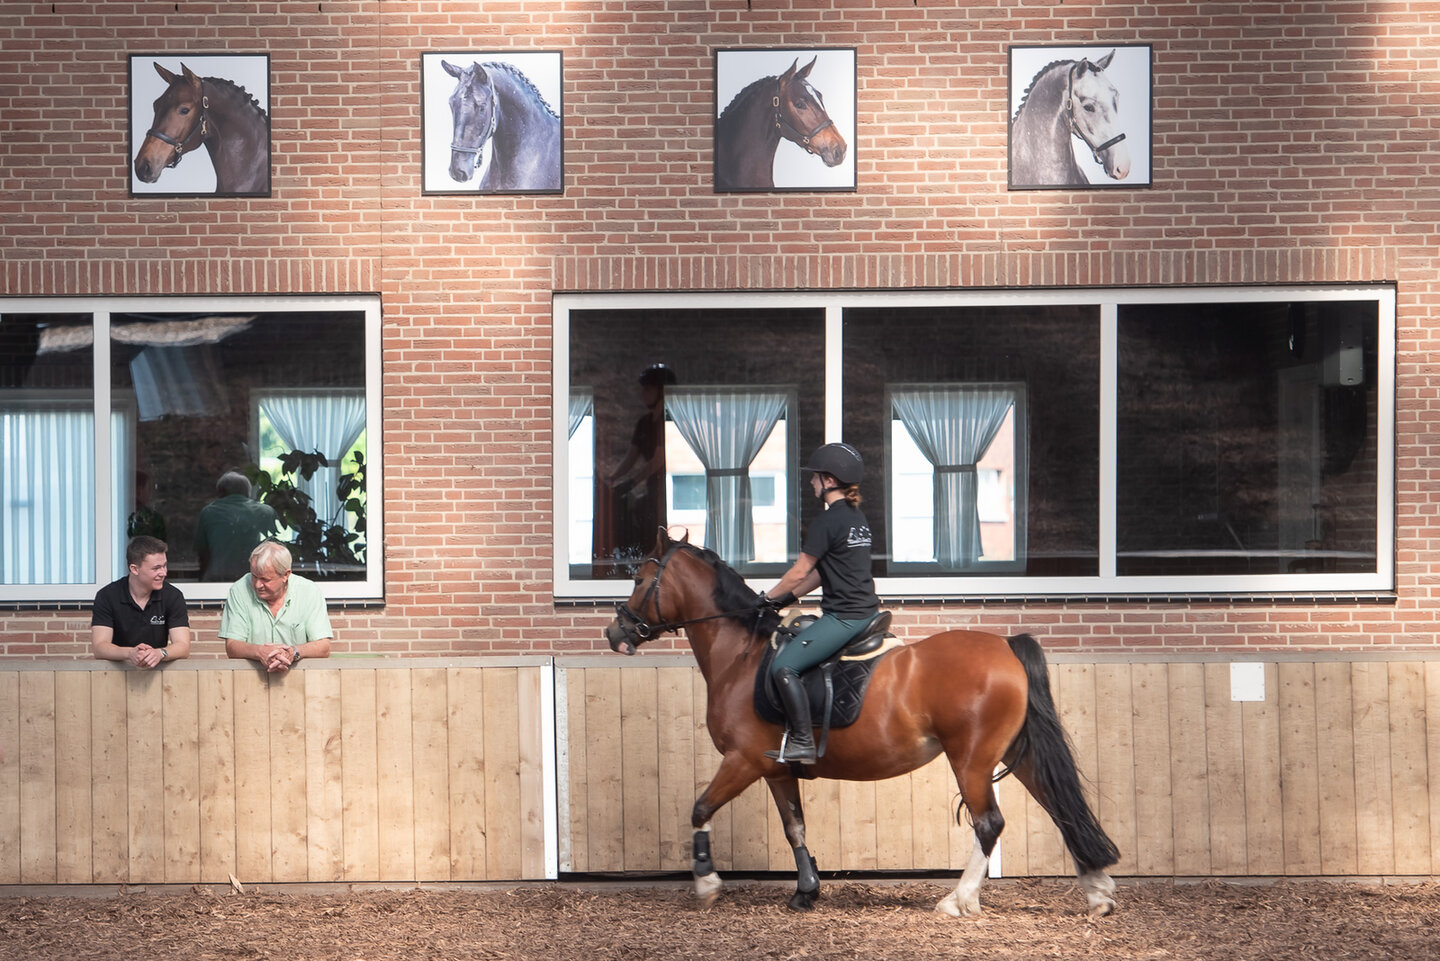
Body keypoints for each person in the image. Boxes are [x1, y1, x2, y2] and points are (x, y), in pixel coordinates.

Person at [758, 443, 879, 764]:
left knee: (784, 667)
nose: (810, 482)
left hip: (844, 618)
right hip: (866, 611)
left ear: (828, 481)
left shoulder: (826, 522)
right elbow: (824, 574)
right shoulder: (857, 517)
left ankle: (801, 742)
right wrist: (785, 599)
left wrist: (767, 599)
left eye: (814, 478)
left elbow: (800, 571)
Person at [220, 540, 333, 673]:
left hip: (302, 680)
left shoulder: (309, 591)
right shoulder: (239, 590)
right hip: (250, 680)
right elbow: (232, 646)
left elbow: (323, 647)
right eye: (254, 576)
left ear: (286, 575)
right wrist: (260, 652)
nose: (257, 585)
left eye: (265, 579)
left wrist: (293, 652)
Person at [607, 363, 677, 555]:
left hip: (665, 490)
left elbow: (659, 459)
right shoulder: (644, 423)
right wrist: (612, 478)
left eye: (648, 388)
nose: (643, 393)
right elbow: (631, 457)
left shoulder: (667, 421)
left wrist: (631, 482)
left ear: (661, 390)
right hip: (652, 488)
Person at [91, 535, 191, 668]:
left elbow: (183, 646)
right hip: (115, 675)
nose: (163, 573)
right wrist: (130, 653)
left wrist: (160, 653)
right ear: (134, 569)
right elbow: (99, 647)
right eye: (156, 568)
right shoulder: (107, 596)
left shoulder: (173, 596)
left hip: (159, 675)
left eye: (164, 566)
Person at [196, 471, 279, 581]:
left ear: (220, 493)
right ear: (248, 492)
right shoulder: (265, 512)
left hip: (216, 579)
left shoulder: (208, 512)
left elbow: (202, 552)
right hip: (254, 578)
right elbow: (276, 549)